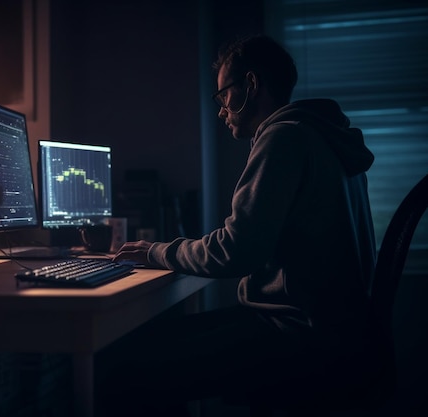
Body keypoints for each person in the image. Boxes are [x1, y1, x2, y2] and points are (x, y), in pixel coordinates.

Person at [96, 34, 383, 416]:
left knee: (124, 362)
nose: (220, 110)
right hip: (332, 332)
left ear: (251, 85)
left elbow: (237, 251)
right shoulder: (324, 138)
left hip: (297, 334)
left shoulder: (283, 138)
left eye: (223, 95)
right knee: (151, 343)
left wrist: (156, 251)